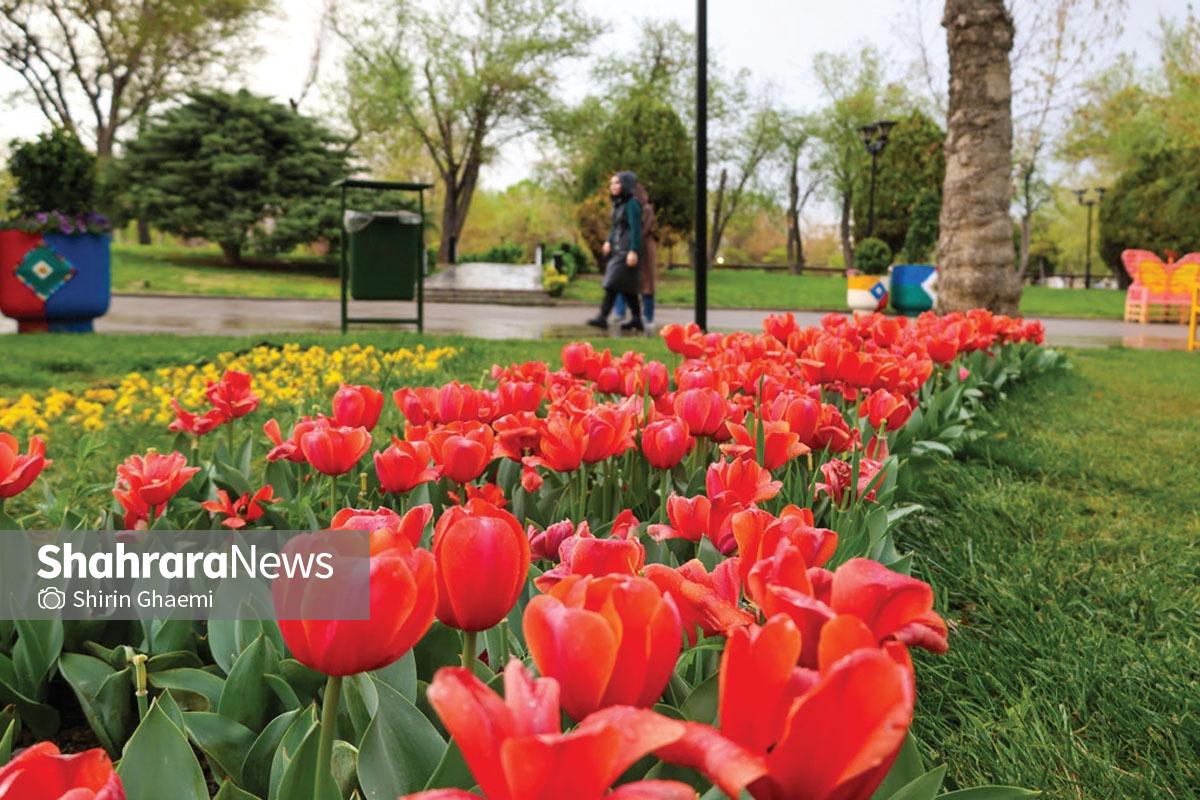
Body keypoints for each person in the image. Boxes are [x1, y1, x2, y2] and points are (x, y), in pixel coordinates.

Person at [587, 172, 643, 332]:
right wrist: (608, 241)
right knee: (627, 288)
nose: (613, 186)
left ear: (625, 184)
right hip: (618, 249)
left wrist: (633, 250)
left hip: (627, 251)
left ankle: (602, 317)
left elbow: (635, 229)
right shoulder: (618, 204)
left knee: (611, 283)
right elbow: (615, 226)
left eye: (617, 183)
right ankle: (637, 320)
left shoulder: (632, 204)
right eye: (612, 183)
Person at [613, 180, 658, 329]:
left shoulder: (645, 209)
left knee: (646, 284)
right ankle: (621, 313)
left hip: (643, 250)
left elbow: (640, 230)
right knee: (623, 280)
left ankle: (647, 317)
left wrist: (632, 244)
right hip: (629, 248)